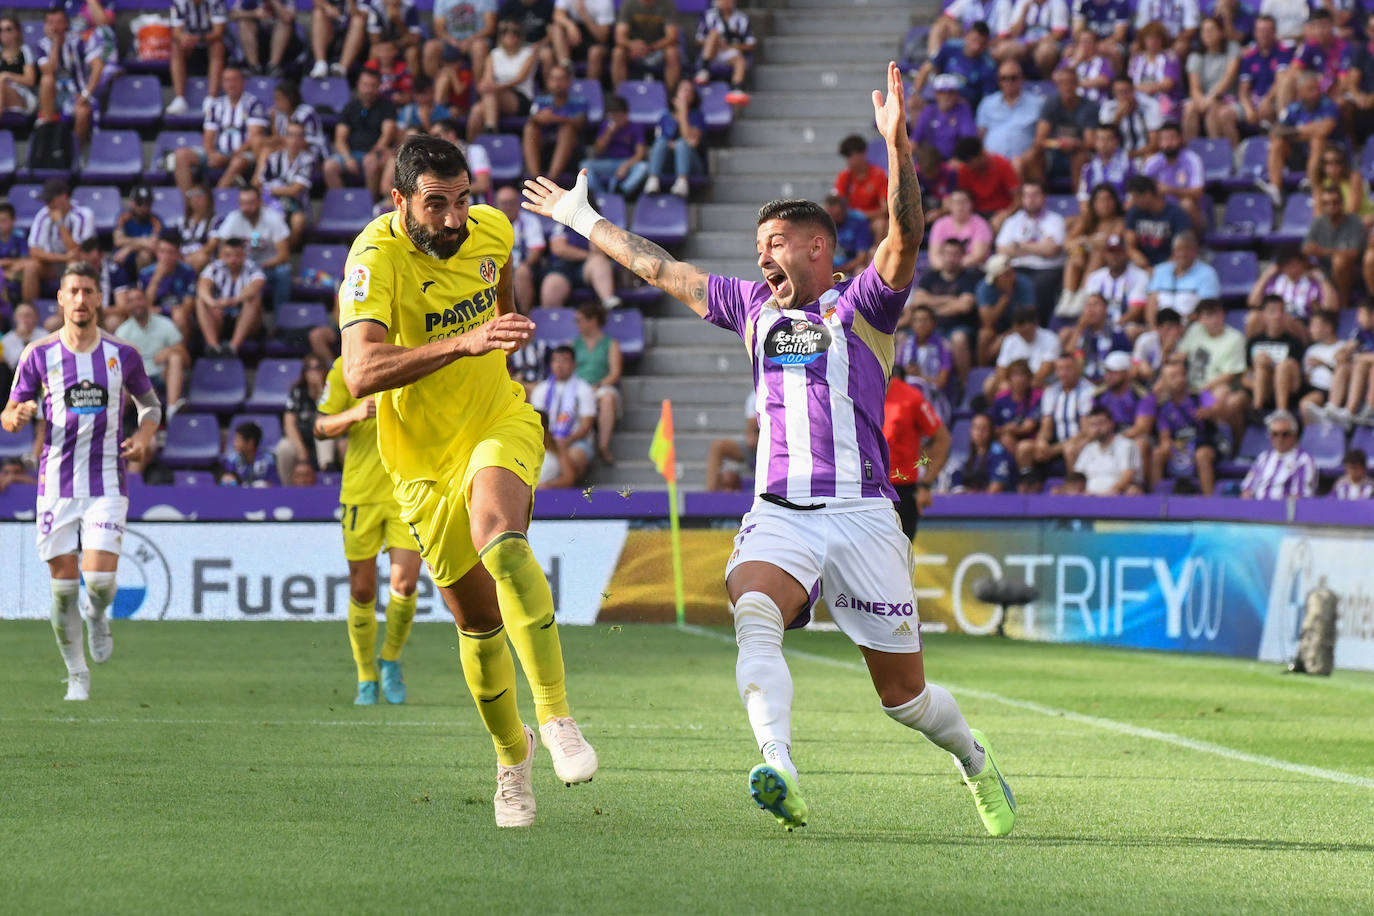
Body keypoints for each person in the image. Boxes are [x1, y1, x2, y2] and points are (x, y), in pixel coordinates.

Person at [521, 62, 1015, 836]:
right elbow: (663, 270)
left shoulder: (864, 307)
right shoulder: (752, 306)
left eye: (776, 242)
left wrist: (898, 147)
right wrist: (586, 222)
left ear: (819, 246)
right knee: (753, 610)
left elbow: (906, 234)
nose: (761, 257)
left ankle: (975, 760)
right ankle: (778, 766)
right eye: (757, 245)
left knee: (906, 701)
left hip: (862, 515)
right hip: (779, 511)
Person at [340, 135, 597, 827]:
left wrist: (498, 335)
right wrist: (464, 341)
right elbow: (360, 373)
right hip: (419, 462)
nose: (455, 219)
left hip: (496, 420)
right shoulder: (374, 258)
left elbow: (501, 293)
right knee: (477, 622)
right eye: (436, 205)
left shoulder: (492, 228)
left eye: (462, 200)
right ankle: (513, 761)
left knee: (501, 539)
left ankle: (557, 716)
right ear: (400, 203)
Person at [2, 262, 161, 701]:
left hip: (108, 480)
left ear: (98, 300)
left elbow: (150, 405)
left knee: (100, 584)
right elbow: (9, 412)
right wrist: (16, 415)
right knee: (63, 593)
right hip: (54, 485)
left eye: (88, 291)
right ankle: (77, 675)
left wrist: (145, 436)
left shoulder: (121, 354)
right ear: (60, 298)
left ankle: (98, 614)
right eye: (73, 291)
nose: (80, 299)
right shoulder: (38, 354)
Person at [315, 354, 424, 705]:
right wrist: (355, 413)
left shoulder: (416, 355)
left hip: (407, 490)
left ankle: (390, 658)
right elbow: (320, 427)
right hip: (361, 493)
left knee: (404, 585)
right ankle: (365, 676)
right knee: (362, 591)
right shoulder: (346, 365)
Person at [884, 376, 949, 538]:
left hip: (901, 493)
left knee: (898, 559)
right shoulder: (855, 395)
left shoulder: (911, 398)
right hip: (865, 492)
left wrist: (926, 484)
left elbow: (943, 439)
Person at [995, 181, 1067, 323]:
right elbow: (1001, 249)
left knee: (1037, 286)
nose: (1031, 199)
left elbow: (1051, 250)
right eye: (1027, 195)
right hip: (1016, 268)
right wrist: (1038, 247)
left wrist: (1018, 245)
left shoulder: (1055, 220)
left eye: (1035, 195)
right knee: (999, 282)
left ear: (1045, 197)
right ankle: (1008, 328)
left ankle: (1037, 327)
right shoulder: (1012, 221)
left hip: (1046, 269)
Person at [1263, 71, 1338, 204]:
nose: (1315, 93)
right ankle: (1275, 189)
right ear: (1300, 92)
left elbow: (1325, 129)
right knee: (1277, 143)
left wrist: (1294, 133)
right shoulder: (1293, 108)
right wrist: (1303, 130)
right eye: (1310, 89)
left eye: (1317, 88)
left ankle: (1312, 182)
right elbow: (1276, 131)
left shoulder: (1329, 105)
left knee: (1317, 140)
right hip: (1297, 155)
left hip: (1325, 157)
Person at [324, 68, 399, 200]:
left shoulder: (387, 107)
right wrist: (347, 158)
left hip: (376, 153)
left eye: (373, 85)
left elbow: (387, 135)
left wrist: (374, 153)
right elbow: (340, 139)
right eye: (365, 85)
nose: (368, 90)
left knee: (370, 162)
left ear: (378, 87)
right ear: (358, 85)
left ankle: (369, 205)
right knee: (329, 166)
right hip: (352, 153)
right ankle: (342, 203)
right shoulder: (349, 107)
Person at [1148, 357, 1219, 493]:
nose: (1179, 379)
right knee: (1157, 453)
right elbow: (1164, 436)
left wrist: (1209, 412)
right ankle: (1156, 500)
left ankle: (1210, 504)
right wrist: (1167, 444)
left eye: (1182, 374)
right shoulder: (1163, 407)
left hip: (1204, 443)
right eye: (1173, 376)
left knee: (1201, 455)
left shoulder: (1199, 396)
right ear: (1164, 382)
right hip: (1179, 446)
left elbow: (1219, 410)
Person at [114, 286, 189, 416]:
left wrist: (170, 350)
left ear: (147, 301)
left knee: (176, 358)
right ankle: (118, 430)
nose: (136, 303)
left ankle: (172, 412)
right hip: (137, 380)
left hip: (162, 376)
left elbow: (187, 360)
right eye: (131, 301)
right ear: (127, 306)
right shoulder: (122, 332)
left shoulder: (166, 324)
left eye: (139, 299)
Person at [530, 344, 597, 485]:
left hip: (576, 441)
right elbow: (538, 422)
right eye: (556, 361)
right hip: (546, 441)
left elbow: (586, 426)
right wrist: (551, 443)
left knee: (573, 459)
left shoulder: (584, 389)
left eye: (564, 361)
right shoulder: (541, 390)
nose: (559, 365)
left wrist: (566, 441)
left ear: (574, 365)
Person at [36, 7, 105, 146]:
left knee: (82, 112)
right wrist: (55, 44)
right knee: (46, 80)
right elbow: (48, 70)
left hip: (76, 93)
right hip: (53, 95)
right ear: (45, 25)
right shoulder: (42, 45)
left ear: (66, 24)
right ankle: (48, 127)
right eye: (50, 22)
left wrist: (86, 93)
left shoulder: (78, 42)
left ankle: (74, 151)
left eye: (58, 22)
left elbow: (98, 66)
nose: (55, 27)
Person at [214, 186, 292, 308]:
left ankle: (281, 319)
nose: (246, 208)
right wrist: (239, 264)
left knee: (283, 272)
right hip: (241, 266)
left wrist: (259, 266)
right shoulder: (233, 218)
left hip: (267, 266)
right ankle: (226, 309)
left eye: (250, 203)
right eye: (243, 203)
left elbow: (284, 255)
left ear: (259, 202)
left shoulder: (273, 218)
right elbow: (222, 250)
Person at [23, 178, 96, 305]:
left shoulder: (83, 215)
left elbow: (76, 251)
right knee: (30, 267)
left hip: (81, 263)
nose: (48, 205)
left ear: (64, 196)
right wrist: (63, 258)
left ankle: (67, 312)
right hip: (55, 262)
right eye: (46, 201)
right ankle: (29, 312)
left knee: (73, 264)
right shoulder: (43, 215)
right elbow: (34, 251)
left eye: (51, 200)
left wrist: (60, 223)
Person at [1180, 298, 1247, 436]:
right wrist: (1165, 353)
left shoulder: (1235, 338)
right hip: (1190, 385)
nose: (1215, 319)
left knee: (1221, 394)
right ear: (1200, 319)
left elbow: (1229, 375)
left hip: (1214, 387)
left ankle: (1219, 439)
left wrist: (1204, 388)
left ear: (1223, 314)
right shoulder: (1195, 330)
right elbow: (1181, 355)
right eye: (1209, 315)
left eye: (1217, 314)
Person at [1019, 352, 1094, 472]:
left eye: (1068, 369)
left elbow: (1086, 431)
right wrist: (1041, 441)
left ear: (1077, 369)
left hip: (1078, 441)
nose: (1064, 373)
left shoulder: (1088, 391)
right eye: (1060, 369)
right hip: (1056, 443)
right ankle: (1029, 483)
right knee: (1024, 447)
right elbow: (1046, 426)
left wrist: (1055, 449)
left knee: (1070, 449)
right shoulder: (1051, 392)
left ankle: (1072, 486)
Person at [467, 17, 537, 140]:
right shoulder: (494, 54)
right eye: (505, 31)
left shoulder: (528, 54)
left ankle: (491, 132)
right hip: (495, 95)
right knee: (476, 111)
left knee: (490, 94)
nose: (510, 35)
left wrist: (496, 87)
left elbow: (520, 79)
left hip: (520, 96)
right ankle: (471, 149)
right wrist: (485, 85)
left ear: (521, 36)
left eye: (515, 32)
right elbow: (488, 77)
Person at [1027, 66, 1098, 187]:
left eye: (1070, 83)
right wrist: (1058, 143)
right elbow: (1039, 140)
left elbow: (1091, 142)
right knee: (1033, 155)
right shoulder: (1051, 104)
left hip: (1078, 152)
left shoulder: (1088, 106)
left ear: (1077, 84)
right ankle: (1040, 196)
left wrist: (1075, 144)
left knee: (1080, 158)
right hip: (1054, 154)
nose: (1067, 87)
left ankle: (1079, 200)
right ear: (1057, 86)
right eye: (1063, 83)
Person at [196, 236, 266, 356]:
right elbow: (202, 286)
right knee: (201, 301)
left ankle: (233, 347)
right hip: (220, 318)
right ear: (221, 255)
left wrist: (234, 300)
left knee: (253, 299)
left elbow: (256, 286)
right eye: (228, 255)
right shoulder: (214, 267)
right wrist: (213, 303)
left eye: (237, 255)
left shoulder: (252, 267)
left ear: (244, 255)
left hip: (246, 320)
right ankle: (213, 347)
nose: (233, 260)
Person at [571, 301, 621, 464]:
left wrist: (597, 386)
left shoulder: (611, 343)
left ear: (592, 320)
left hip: (601, 386)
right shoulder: (573, 344)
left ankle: (603, 446)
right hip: (578, 387)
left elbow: (615, 373)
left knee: (607, 398)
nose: (576, 324)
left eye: (579, 320)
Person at [255, 121, 315, 250]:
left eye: (299, 136)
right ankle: (261, 249)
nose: (294, 140)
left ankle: (287, 253)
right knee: (257, 215)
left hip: (297, 206)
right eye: (291, 135)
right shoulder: (273, 158)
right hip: (272, 203)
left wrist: (272, 190)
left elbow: (295, 190)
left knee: (298, 220)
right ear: (285, 138)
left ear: (303, 140)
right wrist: (274, 191)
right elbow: (260, 184)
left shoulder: (307, 160)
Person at [1182, 15, 1241, 146]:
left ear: (1221, 32)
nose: (1207, 34)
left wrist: (1211, 98)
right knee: (1190, 109)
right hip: (1204, 99)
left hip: (1227, 97)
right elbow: (1194, 88)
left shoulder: (1232, 48)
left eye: (1211, 30)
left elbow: (1229, 77)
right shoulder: (1195, 56)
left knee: (1213, 110)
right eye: (1204, 31)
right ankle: (1190, 154)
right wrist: (1201, 101)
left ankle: (1218, 155)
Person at [1247, 248, 1332, 338]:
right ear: (1281, 267)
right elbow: (1253, 302)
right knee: (1254, 317)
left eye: (1296, 264)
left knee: (1284, 319)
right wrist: (1267, 274)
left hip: (1302, 326)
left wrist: (1322, 278)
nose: (1293, 269)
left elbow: (1330, 307)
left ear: (1304, 264)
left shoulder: (1313, 283)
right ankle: (1252, 347)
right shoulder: (1275, 282)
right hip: (1274, 322)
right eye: (1288, 265)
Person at [1243, 294, 1306, 414]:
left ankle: (1281, 412)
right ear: (1263, 315)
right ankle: (1257, 409)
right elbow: (1244, 377)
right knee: (1261, 362)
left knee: (1283, 366)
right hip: (1263, 388)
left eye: (1281, 311)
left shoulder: (1294, 342)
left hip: (1288, 389)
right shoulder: (1254, 342)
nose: (1278, 316)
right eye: (1272, 311)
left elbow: (1298, 379)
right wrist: (1260, 384)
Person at [644, 79, 705, 198]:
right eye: (684, 89)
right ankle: (653, 179)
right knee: (661, 142)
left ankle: (682, 181)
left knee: (682, 144)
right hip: (667, 161)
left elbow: (689, 140)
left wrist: (683, 112)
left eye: (690, 91)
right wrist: (670, 144)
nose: (687, 93)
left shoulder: (697, 116)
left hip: (692, 163)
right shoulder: (665, 116)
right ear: (676, 93)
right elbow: (659, 142)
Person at [1140, 121, 1206, 230]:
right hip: (1159, 207)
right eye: (1164, 139)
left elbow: (1198, 192)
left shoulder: (1193, 159)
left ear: (1181, 139)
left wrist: (1170, 190)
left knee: (1187, 204)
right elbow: (1141, 188)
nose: (1168, 144)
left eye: (1172, 138)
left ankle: (1190, 243)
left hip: (1184, 208)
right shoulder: (1152, 162)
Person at [1305, 184, 1363, 307]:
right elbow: (1306, 247)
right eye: (1326, 203)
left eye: (1334, 202)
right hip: (1324, 270)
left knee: (1339, 262)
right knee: (1297, 264)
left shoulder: (1354, 221)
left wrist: (1322, 251)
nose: (1331, 206)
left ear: (1342, 203)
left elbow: (1354, 253)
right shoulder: (1318, 222)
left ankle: (1343, 306)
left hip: (1353, 272)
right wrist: (1310, 249)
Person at [166, 0, 227, 115]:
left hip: (209, 41)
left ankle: (211, 98)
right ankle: (179, 98)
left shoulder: (216, 2)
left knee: (218, 46)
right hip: (189, 45)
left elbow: (219, 32)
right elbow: (176, 32)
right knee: (176, 46)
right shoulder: (179, 2)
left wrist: (198, 39)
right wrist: (184, 39)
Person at [1146, 230, 1220, 324]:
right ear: (1173, 251)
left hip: (1192, 327)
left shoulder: (1208, 273)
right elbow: (1151, 306)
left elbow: (1206, 309)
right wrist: (1155, 329)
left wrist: (1180, 327)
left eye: (1188, 249)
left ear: (1195, 251)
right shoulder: (1160, 271)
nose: (1183, 254)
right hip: (1161, 328)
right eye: (1179, 249)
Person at [975, 61, 1040, 168]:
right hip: (991, 163)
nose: (1009, 82)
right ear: (998, 81)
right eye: (1004, 78)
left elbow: (1040, 139)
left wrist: (1024, 160)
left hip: (1024, 164)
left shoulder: (1037, 103)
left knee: (1017, 166)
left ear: (1021, 79)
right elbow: (980, 137)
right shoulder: (987, 103)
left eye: (1013, 78)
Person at [896, 304, 956, 420]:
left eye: (925, 320)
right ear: (912, 324)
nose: (921, 324)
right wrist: (906, 374)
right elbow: (897, 378)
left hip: (934, 400)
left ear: (933, 323)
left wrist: (919, 376)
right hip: (907, 399)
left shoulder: (943, 346)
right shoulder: (905, 345)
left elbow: (941, 382)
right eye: (917, 320)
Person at [977, 258, 1039, 369]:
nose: (1012, 277)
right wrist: (1005, 298)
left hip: (1019, 325)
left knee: (1026, 328)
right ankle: (982, 372)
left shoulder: (1024, 283)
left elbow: (1029, 319)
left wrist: (1002, 338)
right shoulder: (984, 287)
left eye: (1011, 273)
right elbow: (987, 322)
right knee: (984, 335)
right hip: (997, 327)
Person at [579, 95, 646, 196]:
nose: (617, 119)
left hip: (627, 162)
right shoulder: (606, 126)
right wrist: (608, 133)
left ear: (626, 114)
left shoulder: (636, 127)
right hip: (607, 163)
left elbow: (640, 153)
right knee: (585, 165)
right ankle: (599, 194)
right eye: (614, 116)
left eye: (620, 116)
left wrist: (625, 166)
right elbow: (597, 151)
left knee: (643, 167)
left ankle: (621, 190)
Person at [1241, 409, 1315, 498]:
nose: (1280, 439)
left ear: (1294, 435)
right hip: (1257, 509)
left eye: (1285, 434)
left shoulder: (1303, 459)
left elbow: (1300, 496)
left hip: (1285, 510)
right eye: (1275, 434)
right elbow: (1247, 489)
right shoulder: (1263, 458)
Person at [424, 0, 495, 93]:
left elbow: (490, 27)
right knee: (430, 48)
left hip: (476, 40)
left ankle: (479, 92)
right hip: (450, 41)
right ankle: (436, 88)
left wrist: (470, 40)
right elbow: (438, 29)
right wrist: (452, 41)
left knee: (479, 48)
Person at [495, 184, 546, 313]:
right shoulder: (492, 222)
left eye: (511, 202)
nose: (508, 207)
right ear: (497, 204)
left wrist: (525, 264)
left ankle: (525, 314)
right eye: (504, 203)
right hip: (497, 266)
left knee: (522, 272)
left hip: (522, 266)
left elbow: (536, 250)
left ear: (518, 202)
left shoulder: (530, 220)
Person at [1237, 15, 1292, 133]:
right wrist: (1248, 109)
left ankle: (1277, 138)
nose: (1263, 34)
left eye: (1267, 30)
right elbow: (1243, 90)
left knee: (1269, 111)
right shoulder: (1249, 56)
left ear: (1274, 32)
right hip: (1254, 100)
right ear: (1255, 33)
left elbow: (1281, 81)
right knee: (1225, 114)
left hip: (1275, 99)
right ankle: (1236, 149)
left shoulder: (1284, 51)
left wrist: (1266, 101)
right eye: (1260, 31)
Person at [140, 230, 200, 339]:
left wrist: (165, 310)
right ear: (156, 253)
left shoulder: (188, 271)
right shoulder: (145, 273)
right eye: (162, 251)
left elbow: (188, 306)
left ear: (177, 254)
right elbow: (145, 304)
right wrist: (157, 277)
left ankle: (181, 351)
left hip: (178, 313)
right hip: (154, 313)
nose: (165, 257)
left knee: (179, 315)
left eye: (170, 252)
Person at [1081, 232, 1148, 329]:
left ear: (1126, 253)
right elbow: (1089, 307)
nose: (1115, 256)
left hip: (1126, 325)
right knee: (1066, 333)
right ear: (1105, 254)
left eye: (1118, 251)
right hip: (1098, 326)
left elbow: (1135, 311)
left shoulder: (1140, 276)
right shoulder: (1095, 277)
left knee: (1131, 330)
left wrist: (1112, 327)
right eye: (1111, 252)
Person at [1123, 175, 1192, 269]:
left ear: (1147, 195)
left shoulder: (1176, 214)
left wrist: (1161, 272)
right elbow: (1130, 245)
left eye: (1135, 197)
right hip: (1141, 267)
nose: (1133, 201)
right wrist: (1142, 263)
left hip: (1170, 266)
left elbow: (1182, 248)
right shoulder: (1134, 212)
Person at [610, 0, 680, 91]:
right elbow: (619, 37)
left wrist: (650, 48)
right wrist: (631, 45)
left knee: (672, 53)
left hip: (658, 49)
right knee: (618, 52)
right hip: (633, 49)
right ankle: (619, 94)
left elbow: (671, 37)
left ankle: (671, 96)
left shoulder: (667, 4)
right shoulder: (628, 4)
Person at [692, 0, 753, 105]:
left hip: (731, 51)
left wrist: (731, 46)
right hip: (712, 51)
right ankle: (704, 70)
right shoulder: (709, 15)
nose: (725, 2)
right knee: (714, 34)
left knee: (740, 61)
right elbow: (698, 39)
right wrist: (719, 42)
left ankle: (736, 89)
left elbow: (751, 43)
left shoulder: (742, 18)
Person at [953, 136, 1020, 231]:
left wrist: (1005, 214)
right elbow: (964, 197)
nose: (967, 166)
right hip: (976, 214)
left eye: (969, 162)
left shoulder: (1002, 164)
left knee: (996, 223)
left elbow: (1018, 199)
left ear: (980, 155)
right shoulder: (964, 170)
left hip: (1000, 212)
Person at [277, 355, 330, 472]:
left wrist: (321, 389)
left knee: (321, 432)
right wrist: (301, 451)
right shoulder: (297, 391)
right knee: (284, 447)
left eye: (317, 368)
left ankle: (327, 477)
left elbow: (326, 419)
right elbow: (289, 424)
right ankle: (287, 487)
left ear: (324, 370)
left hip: (324, 438)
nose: (313, 372)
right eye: (309, 368)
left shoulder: (330, 391)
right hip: (301, 440)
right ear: (304, 372)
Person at [1073, 404, 1142, 493]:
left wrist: (1109, 493)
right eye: (1093, 425)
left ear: (1111, 424)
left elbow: (1127, 476)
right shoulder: (1088, 448)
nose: (1097, 429)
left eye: (1101, 423)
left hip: (1117, 495)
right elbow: (1078, 476)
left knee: (1133, 491)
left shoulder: (1127, 445)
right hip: (1090, 497)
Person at [1064, 292, 1129, 380]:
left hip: (1108, 381)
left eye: (1095, 304)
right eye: (1088, 305)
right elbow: (1067, 356)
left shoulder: (1116, 332)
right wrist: (1079, 328)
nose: (1091, 310)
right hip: (1082, 382)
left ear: (1106, 309)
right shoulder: (1080, 332)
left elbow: (1124, 360)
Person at [833, 133, 887, 238]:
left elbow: (884, 210)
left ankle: (875, 252)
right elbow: (839, 207)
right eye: (846, 157)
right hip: (851, 222)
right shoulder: (844, 177)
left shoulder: (879, 175)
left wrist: (862, 215)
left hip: (872, 221)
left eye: (850, 156)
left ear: (862, 154)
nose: (848, 161)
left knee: (882, 225)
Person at [914, 74, 978, 163]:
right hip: (931, 162)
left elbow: (969, 141)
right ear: (935, 94)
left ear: (957, 94)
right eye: (941, 92)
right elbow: (915, 140)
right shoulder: (929, 111)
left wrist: (959, 159)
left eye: (950, 92)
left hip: (954, 163)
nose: (946, 96)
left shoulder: (963, 109)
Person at [1098, 74, 1163, 160]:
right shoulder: (1108, 108)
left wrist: (1131, 155)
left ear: (1133, 90)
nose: (1123, 96)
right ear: (1114, 93)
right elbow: (1105, 138)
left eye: (1126, 91)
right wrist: (1118, 117)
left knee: (1151, 158)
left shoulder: (1150, 105)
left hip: (1143, 154)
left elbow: (1154, 143)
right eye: (1119, 92)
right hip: (1116, 156)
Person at [949, 411, 1016, 492]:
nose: (979, 432)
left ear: (991, 431)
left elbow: (994, 490)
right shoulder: (970, 456)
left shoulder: (998, 453)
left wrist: (967, 496)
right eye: (976, 428)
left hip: (1000, 503)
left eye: (984, 428)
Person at [549, 0, 612, 86]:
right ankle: (566, 69)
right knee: (556, 29)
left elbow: (602, 37)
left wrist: (584, 14)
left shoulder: (603, 2)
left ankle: (588, 89)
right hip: (574, 37)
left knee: (595, 52)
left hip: (594, 39)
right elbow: (557, 15)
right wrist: (570, 26)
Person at [927, 189, 992, 270]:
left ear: (971, 204)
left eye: (964, 202)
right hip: (944, 269)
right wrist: (946, 268)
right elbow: (934, 256)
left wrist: (953, 266)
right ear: (950, 205)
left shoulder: (981, 224)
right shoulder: (940, 224)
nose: (960, 206)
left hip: (972, 269)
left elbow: (978, 255)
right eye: (956, 202)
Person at [705, 391, 757, 492]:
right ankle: (709, 497)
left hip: (781, 447)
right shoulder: (755, 396)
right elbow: (751, 439)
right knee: (718, 447)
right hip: (760, 445)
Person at [989, 357, 1042, 454]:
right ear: (1009, 378)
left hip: (1031, 439)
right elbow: (994, 428)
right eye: (1016, 375)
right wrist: (1006, 429)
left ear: (1029, 378)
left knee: (1018, 443)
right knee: (1005, 438)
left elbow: (1028, 427)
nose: (1019, 379)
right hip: (1006, 438)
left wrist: (1012, 428)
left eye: (1023, 375)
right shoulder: (1000, 398)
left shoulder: (1037, 396)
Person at [112, 186, 162, 278]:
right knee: (117, 257)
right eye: (139, 203)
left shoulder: (155, 220)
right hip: (123, 259)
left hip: (142, 259)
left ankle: (142, 285)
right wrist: (143, 241)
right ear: (132, 203)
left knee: (144, 255)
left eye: (147, 203)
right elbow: (118, 241)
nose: (143, 207)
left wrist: (129, 248)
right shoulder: (123, 217)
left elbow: (153, 244)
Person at [825, 193, 874, 276]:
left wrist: (838, 270)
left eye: (837, 215)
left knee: (861, 271)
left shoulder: (858, 221)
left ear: (844, 211)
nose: (834, 220)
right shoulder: (823, 223)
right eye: (830, 216)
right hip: (831, 266)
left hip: (852, 265)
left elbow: (861, 258)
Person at [0, 15, 39, 117]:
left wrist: (7, 75)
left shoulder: (24, 50)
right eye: (1, 29)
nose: (3, 33)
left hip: (23, 97)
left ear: (17, 32)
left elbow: (30, 80)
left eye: (8, 29)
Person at [220, 419, 279, 485]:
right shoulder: (232, 460)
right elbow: (227, 482)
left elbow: (274, 485)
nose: (234, 444)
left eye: (238, 440)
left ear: (250, 443)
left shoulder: (269, 461)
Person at [2, 302, 40, 372]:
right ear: (15, 318)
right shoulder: (6, 340)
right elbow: (13, 364)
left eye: (28, 315)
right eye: (20, 315)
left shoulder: (44, 335)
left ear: (36, 317)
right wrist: (25, 338)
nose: (24, 318)